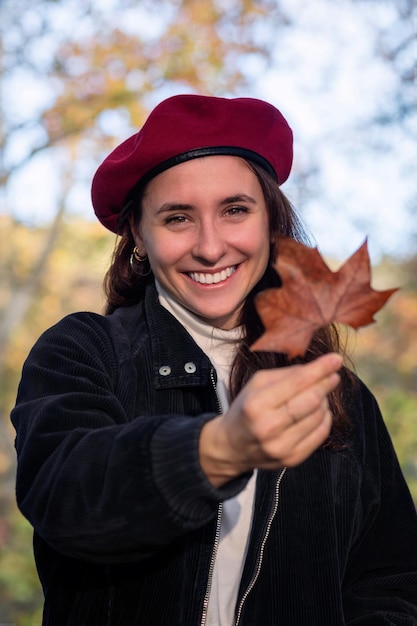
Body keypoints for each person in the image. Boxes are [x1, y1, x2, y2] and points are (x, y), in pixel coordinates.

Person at [11, 94, 417, 626]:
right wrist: (219, 450)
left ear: (269, 220)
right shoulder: (83, 352)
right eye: (178, 218)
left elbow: (392, 581)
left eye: (234, 210)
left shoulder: (341, 395)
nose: (210, 247)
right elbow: (64, 495)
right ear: (138, 233)